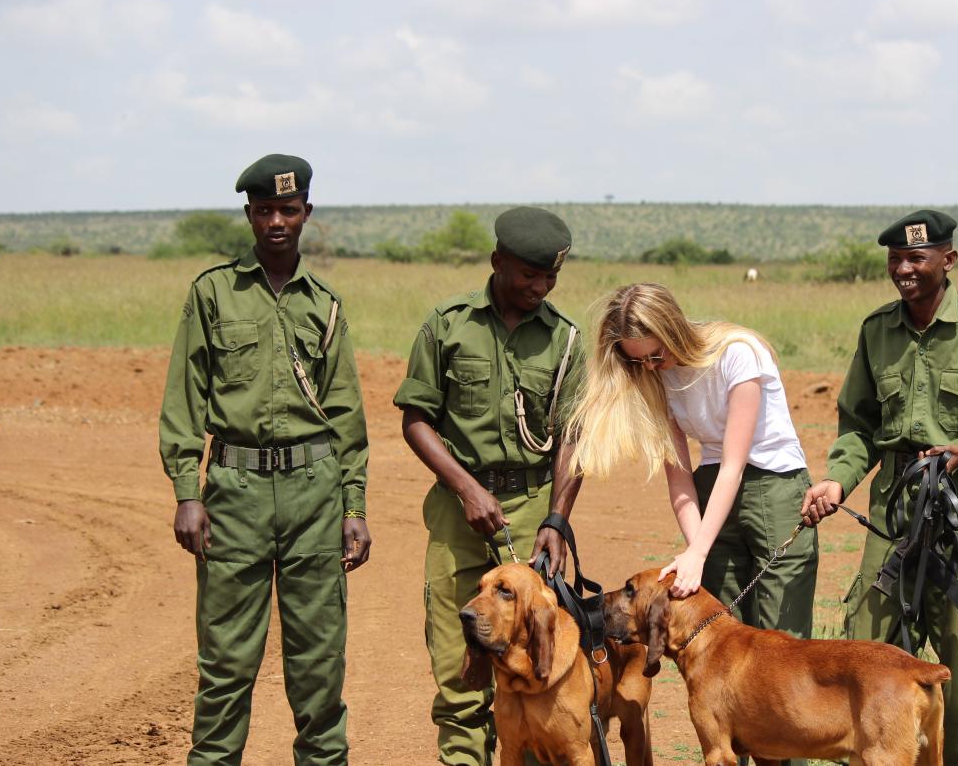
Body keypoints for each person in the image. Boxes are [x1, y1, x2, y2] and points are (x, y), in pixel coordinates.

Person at [800, 209, 958, 766]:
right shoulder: (877, 331)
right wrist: (837, 481)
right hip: (893, 508)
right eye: (896, 259)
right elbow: (859, 428)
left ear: (948, 260)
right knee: (865, 637)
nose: (904, 270)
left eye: (917, 258)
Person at [159, 154, 370, 765]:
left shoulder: (325, 304)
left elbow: (347, 417)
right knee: (224, 666)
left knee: (319, 668)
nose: (277, 221)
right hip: (234, 493)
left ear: (307, 213)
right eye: (265, 210)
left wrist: (353, 505)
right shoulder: (213, 293)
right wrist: (187, 492)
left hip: (314, 492)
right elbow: (184, 398)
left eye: (289, 209)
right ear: (249, 214)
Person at [393, 206, 586, 766]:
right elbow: (415, 420)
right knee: (459, 673)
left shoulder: (566, 341)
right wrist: (466, 489)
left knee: (532, 675)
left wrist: (557, 519)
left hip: (531, 512)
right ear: (497, 261)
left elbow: (574, 438)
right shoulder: (447, 325)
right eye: (528, 274)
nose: (540, 286)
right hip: (459, 513)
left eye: (550, 277)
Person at [568, 282, 818, 638]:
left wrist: (699, 551)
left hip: (773, 483)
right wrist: (697, 550)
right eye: (638, 361)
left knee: (781, 636)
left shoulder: (738, 354)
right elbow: (679, 477)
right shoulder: (657, 378)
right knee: (724, 627)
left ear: (673, 328)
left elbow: (735, 464)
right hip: (712, 490)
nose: (651, 367)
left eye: (656, 355)